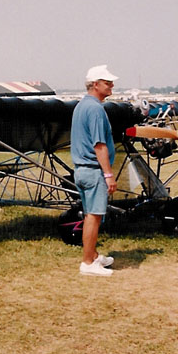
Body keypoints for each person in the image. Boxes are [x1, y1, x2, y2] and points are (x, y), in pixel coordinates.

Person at [71, 64, 119, 276]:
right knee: (94, 216)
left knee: (90, 214)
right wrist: (108, 175)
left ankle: (93, 255)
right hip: (93, 171)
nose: (112, 86)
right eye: (107, 83)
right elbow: (100, 145)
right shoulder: (96, 110)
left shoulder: (81, 106)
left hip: (81, 170)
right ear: (96, 84)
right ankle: (88, 263)